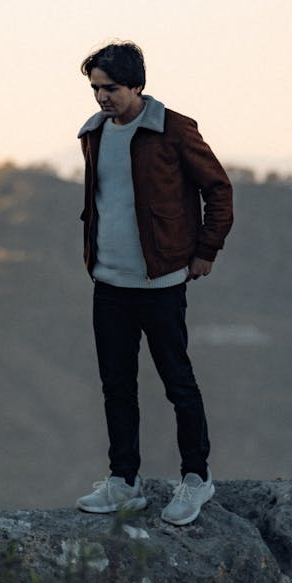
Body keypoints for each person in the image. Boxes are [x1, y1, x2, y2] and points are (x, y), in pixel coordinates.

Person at [75, 41, 233, 525]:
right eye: (96, 88)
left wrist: (206, 250)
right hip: (109, 283)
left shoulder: (173, 130)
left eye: (112, 88)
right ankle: (124, 482)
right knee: (116, 386)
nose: (102, 97)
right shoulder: (95, 134)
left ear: (136, 84)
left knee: (177, 384)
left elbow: (218, 188)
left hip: (161, 283)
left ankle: (196, 479)